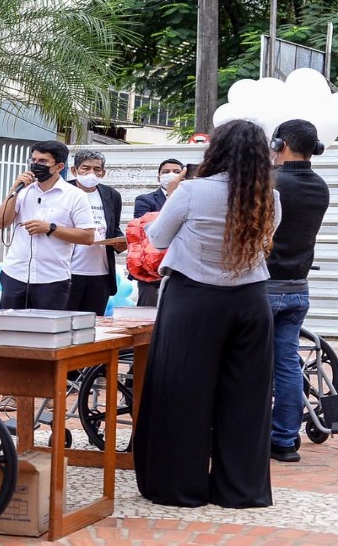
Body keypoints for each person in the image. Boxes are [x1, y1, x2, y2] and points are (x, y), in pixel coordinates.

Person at [133, 119, 280, 508]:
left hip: (193, 299)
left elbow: (158, 237)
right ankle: (240, 490)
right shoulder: (270, 198)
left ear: (216, 151)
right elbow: (264, 247)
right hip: (250, 301)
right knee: (246, 399)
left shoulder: (192, 191)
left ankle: (180, 487)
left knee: (183, 394)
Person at [266, 119, 329, 463]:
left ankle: (248, 434)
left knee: (252, 363)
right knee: (288, 363)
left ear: (279, 142)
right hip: (298, 287)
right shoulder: (320, 186)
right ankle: (285, 440)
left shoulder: (272, 182)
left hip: (264, 285)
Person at [0, 141, 97, 310]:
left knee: (46, 334)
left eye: (42, 161)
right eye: (33, 160)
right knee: (9, 330)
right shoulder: (23, 190)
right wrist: (14, 188)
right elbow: (0, 222)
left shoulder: (75, 196)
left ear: (59, 166)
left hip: (51, 280)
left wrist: (51, 228)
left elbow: (88, 237)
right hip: (15, 275)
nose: (36, 165)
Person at [66, 150, 125, 316]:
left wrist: (120, 242)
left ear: (103, 173)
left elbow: (114, 227)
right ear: (74, 170)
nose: (91, 173)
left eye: (97, 169)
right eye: (85, 168)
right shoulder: (64, 192)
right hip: (68, 272)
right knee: (64, 322)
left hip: (100, 274)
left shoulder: (111, 195)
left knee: (93, 324)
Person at [133, 158, 183, 306]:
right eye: (166, 172)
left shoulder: (191, 199)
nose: (171, 175)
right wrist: (170, 197)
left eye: (176, 172)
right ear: (158, 176)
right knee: (147, 315)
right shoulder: (144, 200)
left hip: (179, 267)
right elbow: (145, 229)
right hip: (151, 267)